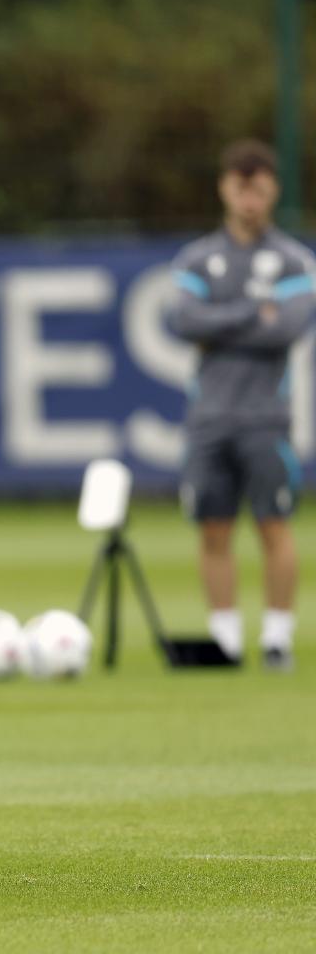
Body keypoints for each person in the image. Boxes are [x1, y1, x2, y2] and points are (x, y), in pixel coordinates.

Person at [168, 139, 316, 670]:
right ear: (224, 189)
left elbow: (289, 328)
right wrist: (254, 311)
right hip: (209, 417)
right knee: (213, 527)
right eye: (240, 187)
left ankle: (277, 637)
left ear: (272, 191)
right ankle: (225, 638)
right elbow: (183, 320)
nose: (249, 199)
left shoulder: (294, 260)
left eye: (259, 189)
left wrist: (219, 323)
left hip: (266, 418)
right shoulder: (198, 258)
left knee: (274, 524)